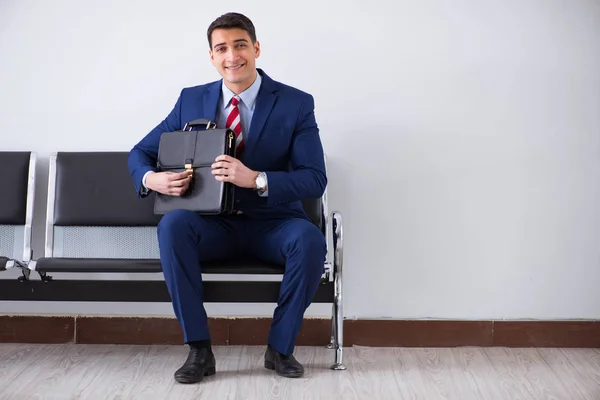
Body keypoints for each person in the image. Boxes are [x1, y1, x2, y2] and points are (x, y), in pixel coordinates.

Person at [127, 12, 327, 384]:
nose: (231, 56)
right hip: (211, 224)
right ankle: (199, 350)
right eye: (222, 48)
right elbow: (139, 152)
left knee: (310, 239)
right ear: (212, 56)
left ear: (256, 48)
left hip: (274, 224)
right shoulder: (190, 100)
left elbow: (314, 179)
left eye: (240, 45)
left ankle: (280, 348)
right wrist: (152, 178)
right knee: (173, 225)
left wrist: (257, 179)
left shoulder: (296, 104)